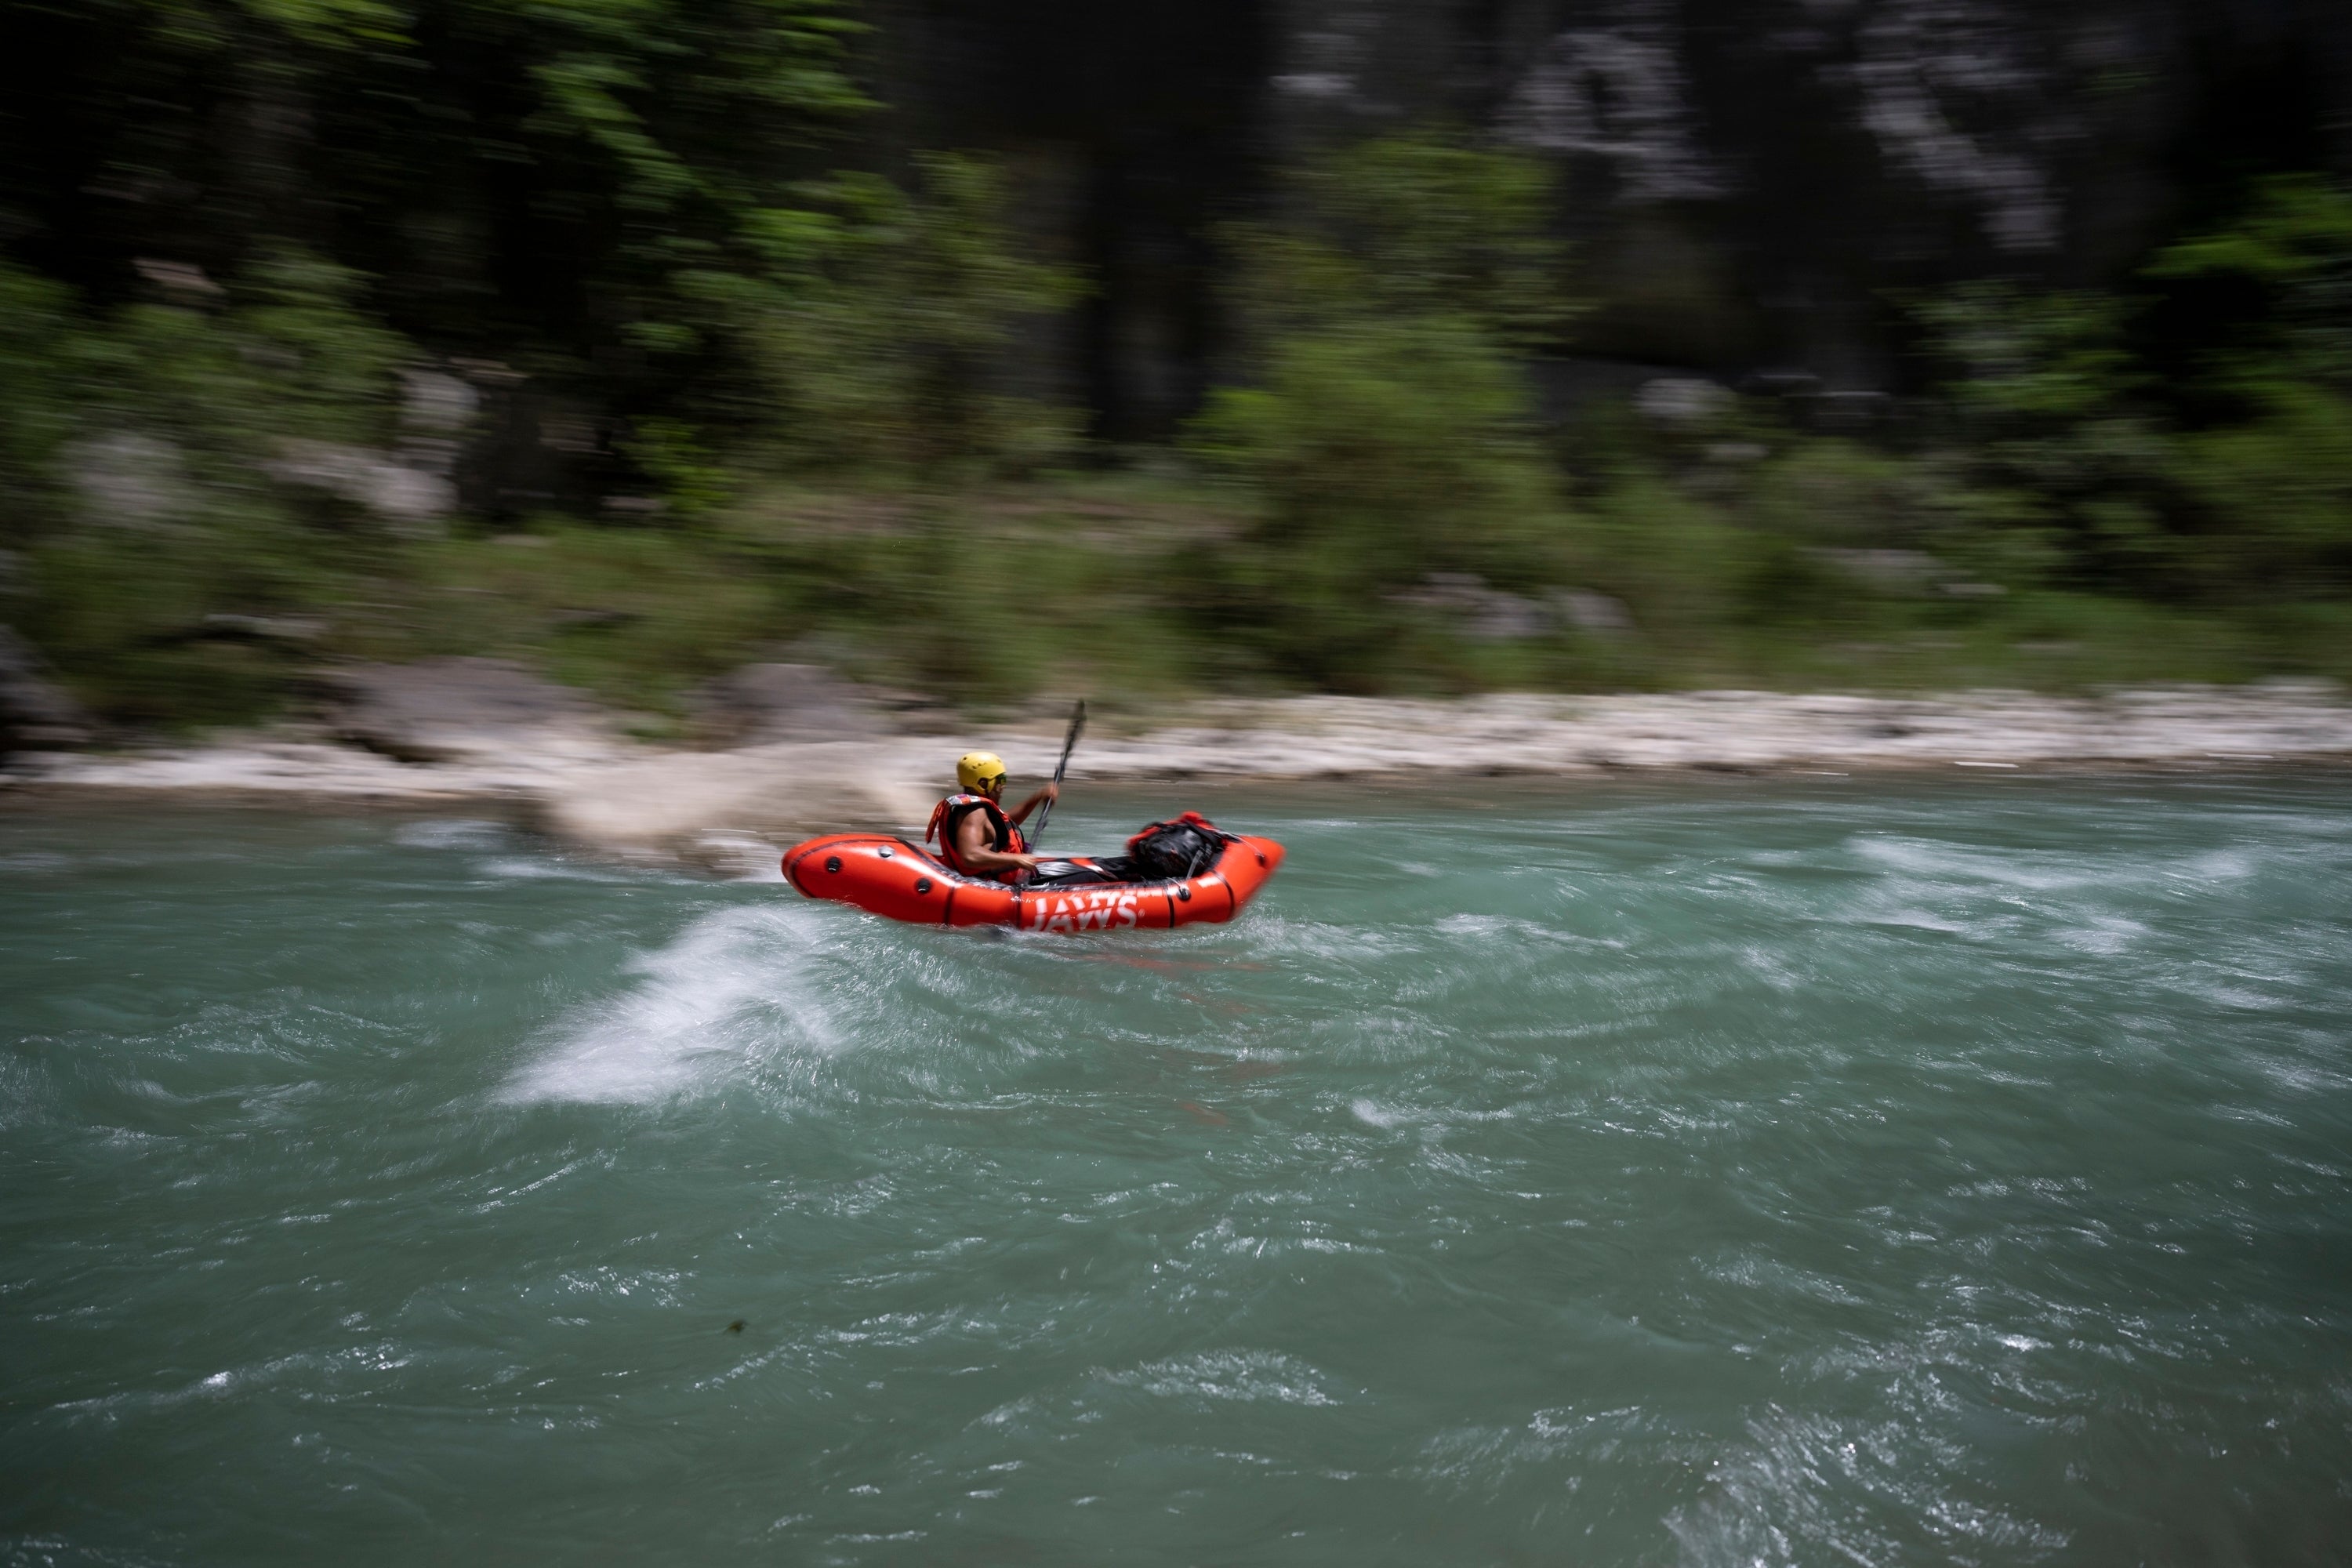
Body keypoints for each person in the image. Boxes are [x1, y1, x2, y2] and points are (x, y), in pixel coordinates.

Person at [924, 751, 1058, 883]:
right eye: (1000, 780)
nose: (1003, 785)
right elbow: (970, 855)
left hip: (1006, 879)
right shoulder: (974, 813)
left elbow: (1005, 824)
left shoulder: (978, 809)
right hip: (992, 886)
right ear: (983, 784)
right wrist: (1016, 859)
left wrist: (1038, 797)